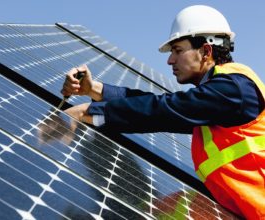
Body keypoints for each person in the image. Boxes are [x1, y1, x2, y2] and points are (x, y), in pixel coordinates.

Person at [61, 5, 265, 219]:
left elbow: (164, 110)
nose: (170, 60)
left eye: (178, 51)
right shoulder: (222, 93)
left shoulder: (232, 90)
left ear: (206, 51)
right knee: (165, 209)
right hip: (243, 209)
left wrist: (92, 112)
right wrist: (95, 90)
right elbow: (159, 103)